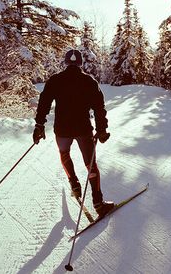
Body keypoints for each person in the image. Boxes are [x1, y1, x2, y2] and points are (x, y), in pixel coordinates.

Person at [33, 49, 114, 217]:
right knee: (90, 164)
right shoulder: (88, 81)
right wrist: (101, 130)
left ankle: (74, 183)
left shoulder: (55, 80)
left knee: (64, 153)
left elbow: (44, 102)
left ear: (66, 63)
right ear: (80, 64)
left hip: (62, 130)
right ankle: (98, 203)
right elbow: (99, 107)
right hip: (83, 130)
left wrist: (39, 125)